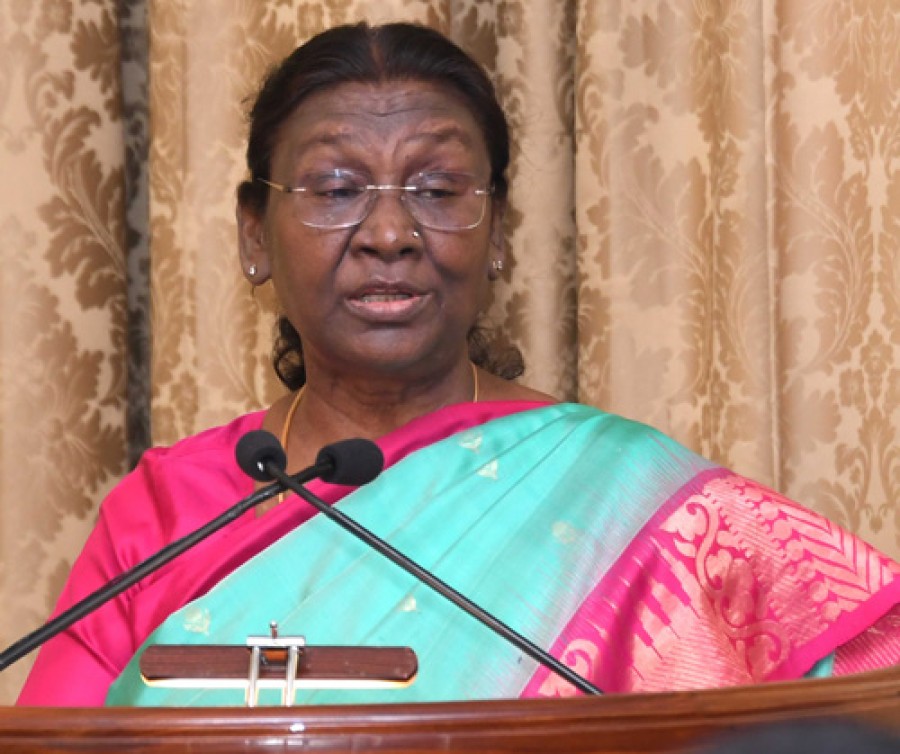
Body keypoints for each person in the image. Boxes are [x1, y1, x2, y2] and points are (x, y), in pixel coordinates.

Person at [16, 21, 900, 707]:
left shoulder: (626, 503)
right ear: (255, 235)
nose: (389, 234)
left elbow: (864, 691)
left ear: (497, 232)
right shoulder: (166, 513)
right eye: (335, 190)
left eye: (438, 190)